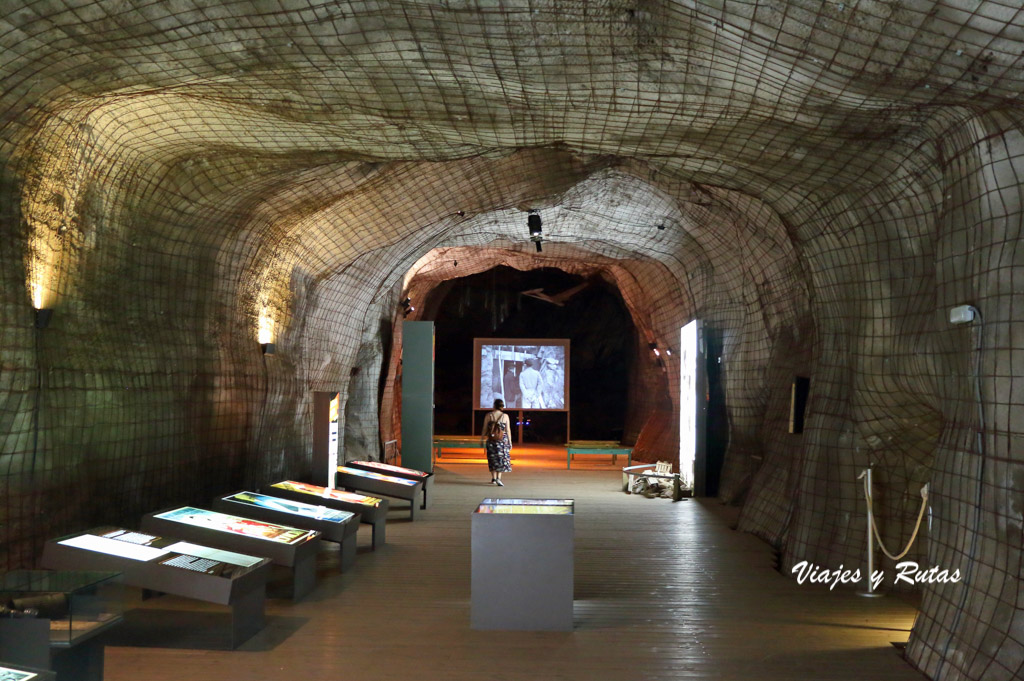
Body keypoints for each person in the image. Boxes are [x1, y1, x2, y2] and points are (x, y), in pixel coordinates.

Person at [480, 398, 512, 485]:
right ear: (502, 406)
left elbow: (484, 429)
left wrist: (482, 439)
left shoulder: (489, 415)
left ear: (494, 405)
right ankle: (498, 478)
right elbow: (508, 430)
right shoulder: (505, 416)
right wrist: (510, 442)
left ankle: (494, 479)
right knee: (501, 458)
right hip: (502, 441)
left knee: (492, 459)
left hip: (491, 441)